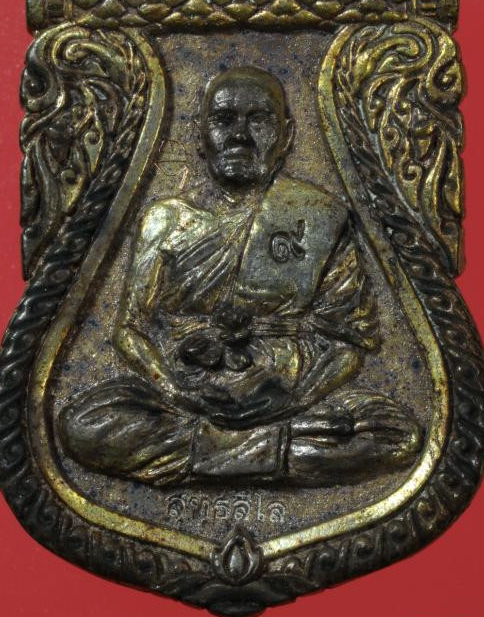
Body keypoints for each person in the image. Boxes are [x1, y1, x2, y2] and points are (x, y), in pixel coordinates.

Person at [59, 67, 422, 486]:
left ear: (286, 135)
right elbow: (130, 330)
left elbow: (348, 343)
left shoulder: (320, 216)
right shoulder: (165, 220)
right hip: (186, 396)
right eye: (224, 119)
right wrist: (176, 390)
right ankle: (267, 454)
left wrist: (295, 400)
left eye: (259, 120)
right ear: (200, 135)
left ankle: (209, 454)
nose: (239, 136)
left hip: (290, 396)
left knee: (396, 435)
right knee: (82, 425)